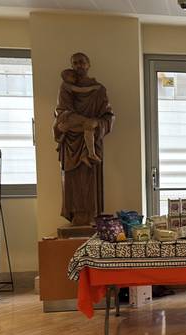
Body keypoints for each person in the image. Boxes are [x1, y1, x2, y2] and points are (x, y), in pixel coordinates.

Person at [54, 52, 115, 226]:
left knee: (89, 181)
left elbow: (109, 116)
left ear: (88, 64)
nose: (79, 66)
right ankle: (76, 217)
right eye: (75, 63)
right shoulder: (65, 87)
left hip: (91, 141)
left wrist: (97, 123)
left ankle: (90, 216)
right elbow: (61, 113)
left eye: (82, 62)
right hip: (71, 142)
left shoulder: (99, 90)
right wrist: (62, 126)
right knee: (72, 181)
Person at [58, 68, 103, 166]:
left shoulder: (68, 85)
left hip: (70, 114)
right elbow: (81, 90)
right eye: (73, 76)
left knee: (88, 128)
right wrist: (94, 88)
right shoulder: (65, 85)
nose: (75, 78)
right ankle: (91, 154)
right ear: (66, 78)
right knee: (89, 123)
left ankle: (85, 154)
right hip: (67, 114)